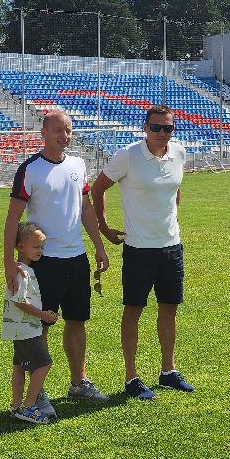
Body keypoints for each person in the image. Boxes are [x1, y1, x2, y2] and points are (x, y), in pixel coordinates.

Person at [2, 108, 111, 407]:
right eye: (57, 130)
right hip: (44, 262)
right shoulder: (30, 169)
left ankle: (79, 382)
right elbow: (13, 218)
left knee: (77, 321)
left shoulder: (78, 164)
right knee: (40, 326)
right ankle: (37, 391)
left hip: (76, 259)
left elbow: (86, 209)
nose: (64, 136)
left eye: (68, 131)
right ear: (44, 133)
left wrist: (98, 246)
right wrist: (9, 261)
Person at [89, 104, 195, 399]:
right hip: (139, 249)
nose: (163, 133)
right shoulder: (128, 155)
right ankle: (131, 377)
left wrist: (172, 218)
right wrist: (105, 228)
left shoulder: (180, 153)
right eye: (157, 127)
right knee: (133, 311)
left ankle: (168, 372)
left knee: (169, 309)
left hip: (171, 246)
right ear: (145, 128)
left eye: (168, 128)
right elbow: (97, 190)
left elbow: (175, 189)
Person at [4, 221, 59, 424]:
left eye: (42, 247)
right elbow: (20, 301)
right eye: (36, 247)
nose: (40, 251)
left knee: (19, 366)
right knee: (44, 364)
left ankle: (16, 406)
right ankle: (28, 407)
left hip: (21, 329)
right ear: (21, 247)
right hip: (26, 329)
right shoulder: (21, 272)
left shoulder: (21, 269)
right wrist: (43, 315)